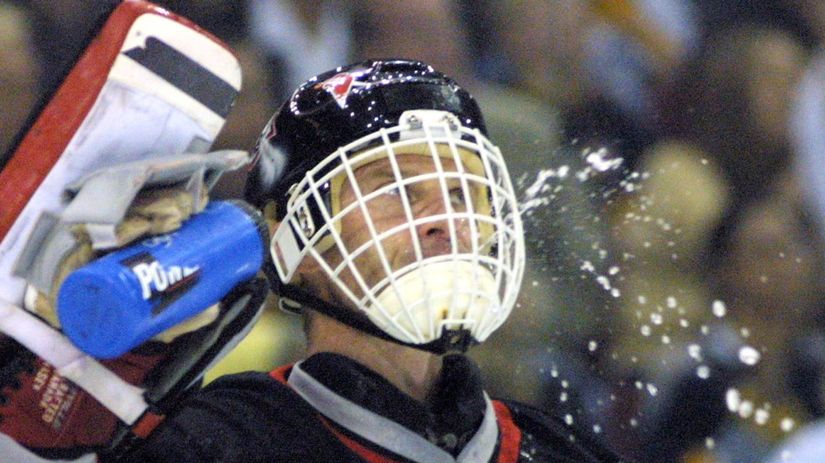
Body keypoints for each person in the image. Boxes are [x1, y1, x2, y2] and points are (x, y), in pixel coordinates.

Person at [2, 59, 628, 462]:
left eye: (466, 191)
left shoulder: (561, 448)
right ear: (291, 241)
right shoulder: (217, 445)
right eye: (398, 191)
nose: (447, 219)